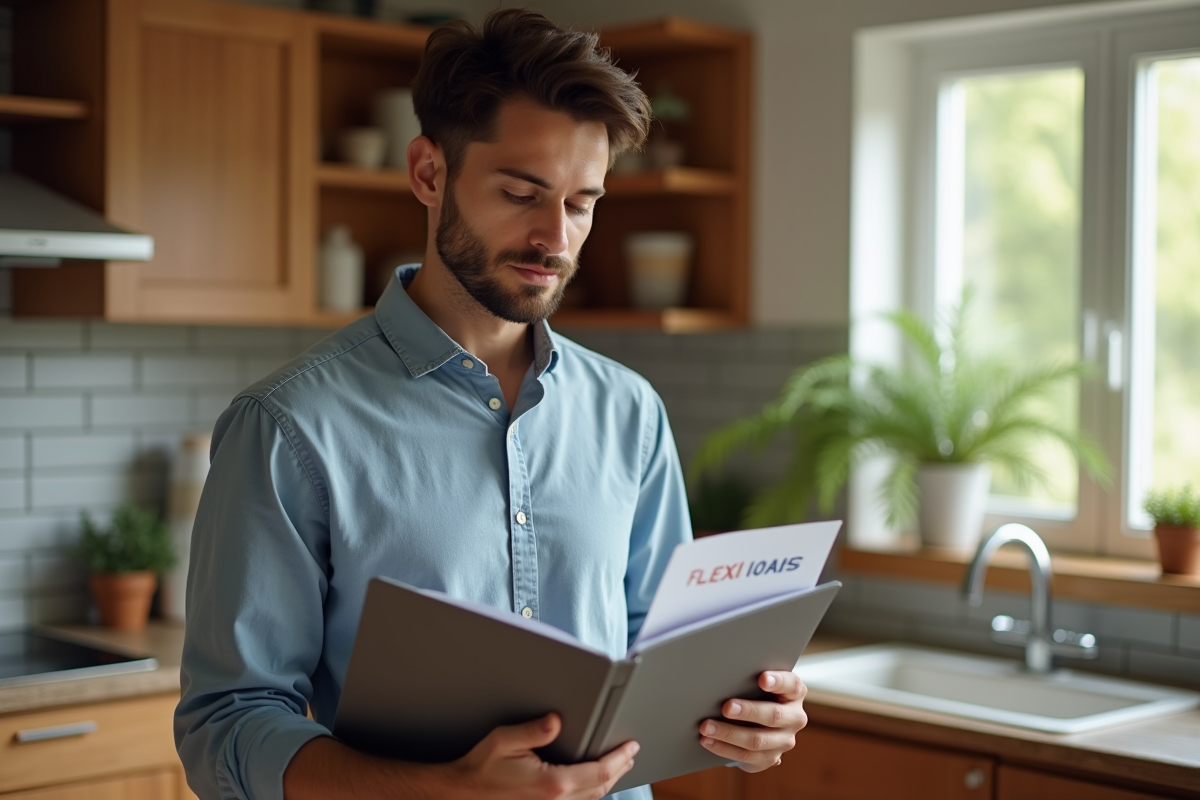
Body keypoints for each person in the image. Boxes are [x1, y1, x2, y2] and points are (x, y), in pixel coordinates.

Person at [174, 9, 809, 800]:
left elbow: (660, 656)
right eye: (521, 193)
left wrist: (744, 717)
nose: (557, 238)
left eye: (582, 203)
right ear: (429, 173)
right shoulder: (289, 427)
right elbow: (226, 725)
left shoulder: (630, 412)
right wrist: (439, 787)